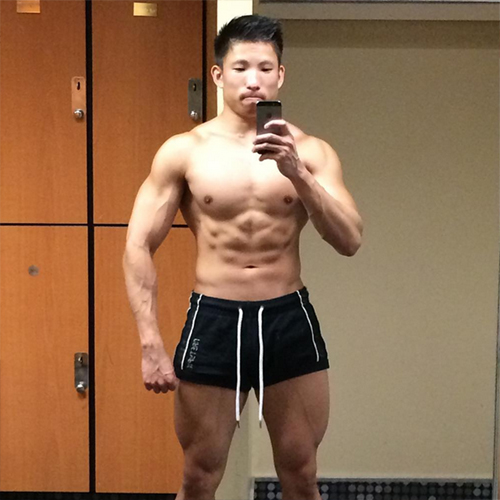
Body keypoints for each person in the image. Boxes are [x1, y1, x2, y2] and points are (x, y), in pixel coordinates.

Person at [123, 14, 363, 500]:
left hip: (286, 317)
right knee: (198, 476)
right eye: (240, 68)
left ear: (280, 75)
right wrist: (150, 342)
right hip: (214, 318)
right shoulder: (184, 152)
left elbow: (349, 240)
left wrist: (298, 174)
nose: (253, 80)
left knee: (302, 474)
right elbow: (138, 244)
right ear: (218, 75)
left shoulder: (312, 152)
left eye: (264, 68)